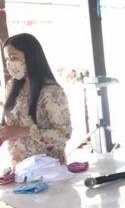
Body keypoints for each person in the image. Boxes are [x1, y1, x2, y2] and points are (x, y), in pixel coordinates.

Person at [1, 33, 72, 167]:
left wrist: (24, 131)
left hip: (47, 168)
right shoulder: (11, 87)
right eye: (7, 59)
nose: (10, 64)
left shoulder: (52, 91)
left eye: (14, 58)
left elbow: (64, 133)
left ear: (30, 57)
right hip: (19, 168)